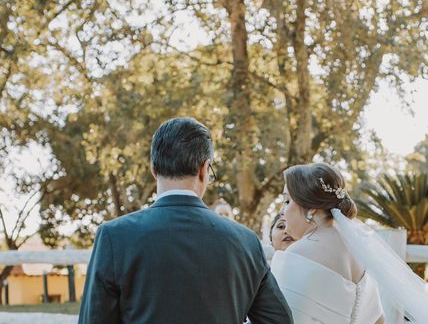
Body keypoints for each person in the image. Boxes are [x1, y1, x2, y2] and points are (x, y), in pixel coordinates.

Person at [78, 117, 293, 324]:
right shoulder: (246, 241)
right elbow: (279, 320)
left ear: (154, 169)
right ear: (204, 169)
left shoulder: (114, 236)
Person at [271, 163, 428, 324]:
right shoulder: (357, 250)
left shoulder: (297, 254)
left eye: (287, 201)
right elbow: (378, 320)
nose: (282, 210)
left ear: (311, 208)